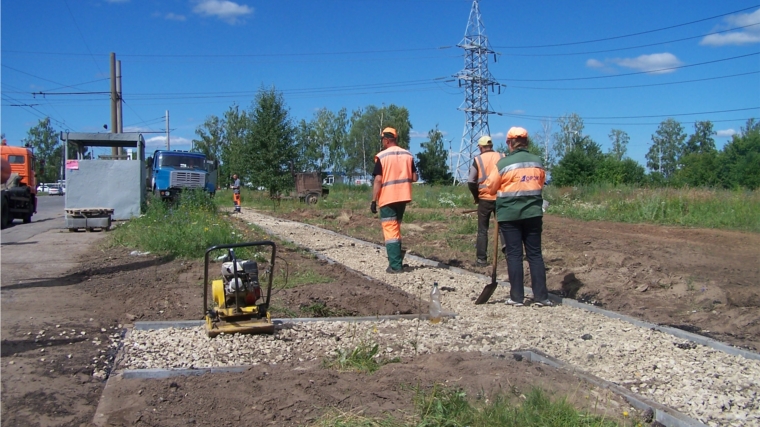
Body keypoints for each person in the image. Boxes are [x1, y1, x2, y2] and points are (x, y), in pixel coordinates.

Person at [486, 127, 552, 307]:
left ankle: (517, 297)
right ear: (526, 142)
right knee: (535, 254)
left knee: (514, 255)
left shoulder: (503, 164)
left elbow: (491, 188)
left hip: (509, 215)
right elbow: (540, 184)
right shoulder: (538, 162)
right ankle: (541, 297)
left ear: (509, 143)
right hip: (533, 214)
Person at [371, 127, 418, 274]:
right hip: (403, 197)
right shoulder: (407, 155)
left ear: (386, 139)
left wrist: (373, 200)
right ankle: (397, 260)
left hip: (388, 198)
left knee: (390, 231)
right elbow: (415, 177)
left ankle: (395, 266)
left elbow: (378, 179)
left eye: (383, 139)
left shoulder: (382, 156)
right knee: (396, 228)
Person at [467, 135, 504, 266]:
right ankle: (510, 254)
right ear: (491, 146)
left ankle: (481, 259)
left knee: (483, 229)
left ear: (481, 147)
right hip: (501, 197)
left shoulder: (478, 159)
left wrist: (476, 196)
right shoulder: (502, 156)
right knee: (503, 227)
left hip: (484, 198)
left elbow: (471, 181)